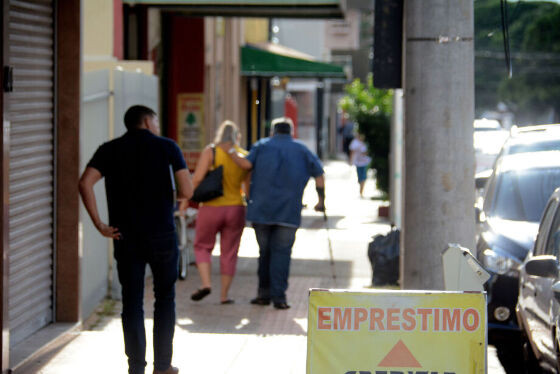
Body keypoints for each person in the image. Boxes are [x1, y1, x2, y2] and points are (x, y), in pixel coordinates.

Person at [79, 105, 193, 374]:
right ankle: (162, 366)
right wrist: (165, 194)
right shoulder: (167, 147)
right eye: (156, 120)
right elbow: (186, 190)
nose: (157, 125)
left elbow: (85, 183)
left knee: (131, 301)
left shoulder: (109, 149)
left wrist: (99, 225)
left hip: (125, 235)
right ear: (146, 121)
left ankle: (136, 368)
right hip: (161, 235)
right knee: (165, 298)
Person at [226, 117, 325, 310]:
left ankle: (263, 294)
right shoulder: (302, 150)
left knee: (264, 252)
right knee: (282, 253)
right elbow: (319, 175)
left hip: (261, 210)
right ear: (291, 131)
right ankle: (279, 297)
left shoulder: (261, 146)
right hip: (289, 211)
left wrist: (229, 150)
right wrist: (321, 201)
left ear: (272, 131)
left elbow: (245, 165)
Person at [190, 120, 249, 304]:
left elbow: (197, 178)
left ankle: (206, 284)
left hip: (210, 208)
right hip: (236, 208)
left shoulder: (211, 151)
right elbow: (247, 189)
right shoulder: (243, 156)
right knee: (229, 252)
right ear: (237, 136)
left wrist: (185, 203)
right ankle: (224, 295)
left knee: (202, 246)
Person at [349, 133, 371, 197]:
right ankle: (360, 189)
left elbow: (366, 152)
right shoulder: (355, 143)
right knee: (359, 177)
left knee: (363, 177)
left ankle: (361, 191)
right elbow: (352, 152)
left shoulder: (364, 143)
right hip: (358, 163)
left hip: (364, 163)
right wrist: (351, 161)